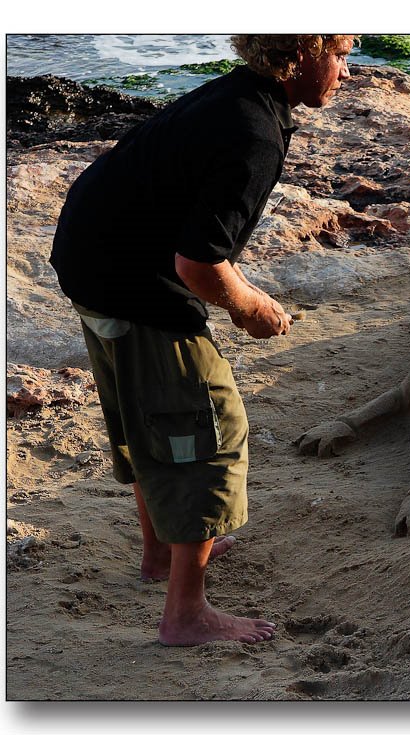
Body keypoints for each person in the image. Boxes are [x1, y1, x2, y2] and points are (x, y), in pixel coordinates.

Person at [49, 34, 355, 646]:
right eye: (341, 53)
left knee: (148, 419)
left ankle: (161, 554)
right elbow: (198, 266)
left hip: (88, 260)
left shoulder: (232, 96)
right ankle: (185, 614)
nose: (347, 69)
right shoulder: (256, 132)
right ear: (302, 52)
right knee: (211, 431)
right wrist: (252, 306)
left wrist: (231, 288)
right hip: (133, 282)